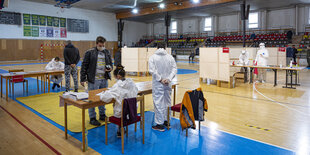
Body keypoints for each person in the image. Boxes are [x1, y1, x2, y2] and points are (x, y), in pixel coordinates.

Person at [80, 36, 113, 126]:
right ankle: (92, 117)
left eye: (103, 45)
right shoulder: (89, 52)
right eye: (100, 45)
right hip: (93, 79)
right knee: (92, 99)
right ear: (96, 44)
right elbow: (84, 66)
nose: (101, 47)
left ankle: (102, 115)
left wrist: (110, 68)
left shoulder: (107, 52)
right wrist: (82, 78)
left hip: (104, 79)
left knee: (103, 98)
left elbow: (110, 64)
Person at [100, 65, 138, 137]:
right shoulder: (132, 83)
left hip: (121, 114)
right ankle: (122, 128)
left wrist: (102, 94)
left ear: (118, 76)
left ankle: (120, 129)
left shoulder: (117, 86)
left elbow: (106, 98)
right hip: (132, 112)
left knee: (119, 107)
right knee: (123, 106)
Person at [148, 42, 177, 132]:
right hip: (167, 83)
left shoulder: (152, 57)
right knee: (167, 102)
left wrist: (160, 79)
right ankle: (167, 121)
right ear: (165, 47)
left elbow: (152, 71)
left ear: (157, 47)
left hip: (158, 83)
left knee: (158, 103)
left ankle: (159, 124)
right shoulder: (170, 57)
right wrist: (168, 79)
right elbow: (174, 69)